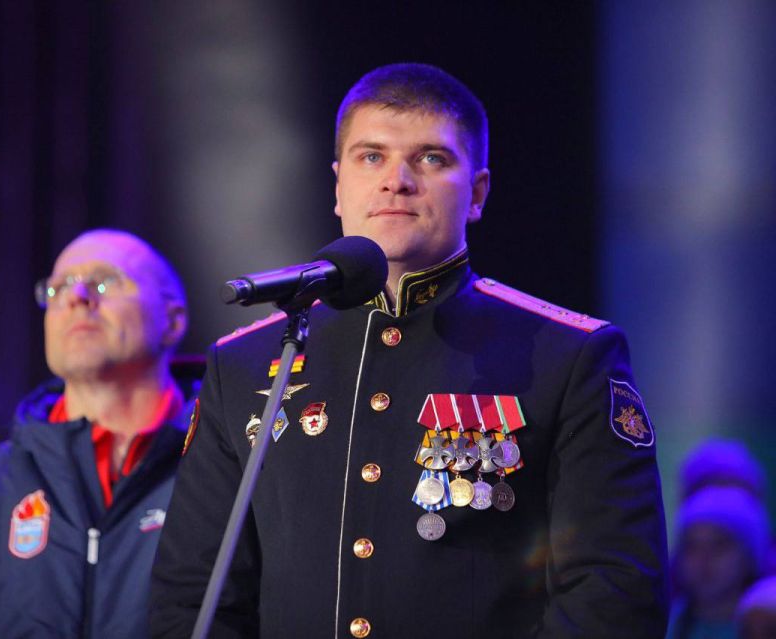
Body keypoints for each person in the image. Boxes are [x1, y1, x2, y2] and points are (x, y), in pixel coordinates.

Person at [150, 63, 669, 638]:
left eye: (431, 158)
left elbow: (614, 589)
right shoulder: (244, 364)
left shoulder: (567, 356)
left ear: (477, 193)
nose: (396, 179)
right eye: (371, 156)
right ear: (338, 186)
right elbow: (193, 594)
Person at [0, 229, 192, 638]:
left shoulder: (230, 471)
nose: (77, 297)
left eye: (105, 281)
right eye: (58, 288)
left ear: (172, 321)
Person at [666, 486, 770, 639]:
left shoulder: (767, 626)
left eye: (719, 544)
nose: (703, 559)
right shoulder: (659, 624)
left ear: (748, 555)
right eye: (692, 546)